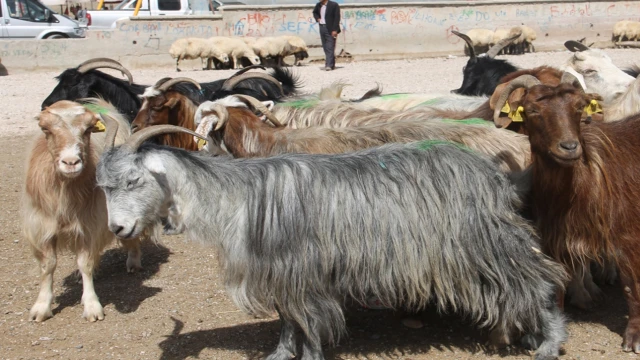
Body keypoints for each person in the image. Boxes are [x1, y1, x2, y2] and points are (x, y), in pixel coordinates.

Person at [313, 0, 340, 71]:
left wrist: (335, 30)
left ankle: (328, 65)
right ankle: (332, 64)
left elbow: (337, 18)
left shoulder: (334, 5)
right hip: (322, 27)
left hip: (331, 28)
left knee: (330, 46)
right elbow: (314, 12)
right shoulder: (318, 5)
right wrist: (317, 18)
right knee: (325, 46)